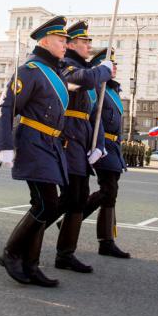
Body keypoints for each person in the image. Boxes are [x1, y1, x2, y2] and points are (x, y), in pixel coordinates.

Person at [0, 16, 70, 287]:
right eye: (61, 41)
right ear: (45, 41)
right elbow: (5, 106)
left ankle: (31, 263)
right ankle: (11, 253)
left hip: (49, 144)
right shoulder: (31, 70)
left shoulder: (54, 71)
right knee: (46, 204)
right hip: (33, 142)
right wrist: (3, 145)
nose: (65, 45)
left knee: (46, 204)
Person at [51, 21, 112, 274]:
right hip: (67, 139)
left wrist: (97, 145)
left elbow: (93, 116)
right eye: (84, 42)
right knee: (67, 198)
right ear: (71, 44)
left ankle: (65, 254)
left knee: (76, 198)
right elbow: (81, 80)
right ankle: (23, 243)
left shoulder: (87, 71)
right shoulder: (67, 66)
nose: (88, 45)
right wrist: (102, 70)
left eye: (89, 42)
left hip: (81, 140)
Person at [80, 47, 130, 259]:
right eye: (110, 64)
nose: (115, 67)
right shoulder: (97, 89)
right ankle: (74, 218)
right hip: (102, 147)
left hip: (113, 147)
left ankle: (106, 241)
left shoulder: (112, 90)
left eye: (115, 64)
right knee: (108, 190)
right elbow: (94, 117)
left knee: (112, 192)